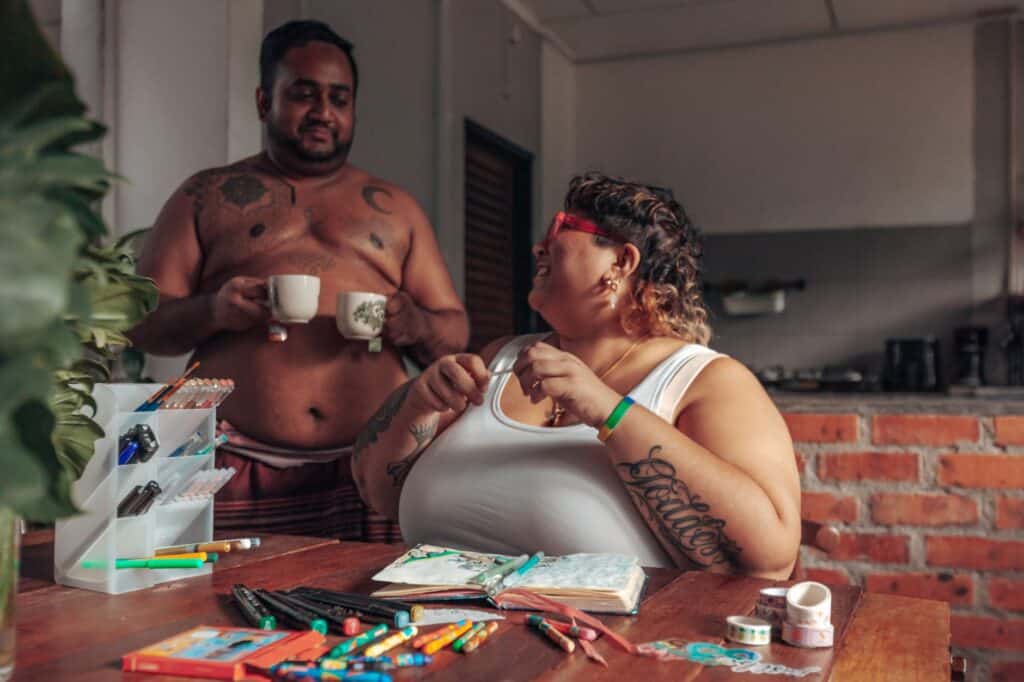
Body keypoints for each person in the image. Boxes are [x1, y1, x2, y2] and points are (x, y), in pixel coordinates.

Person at [352, 173, 801, 577]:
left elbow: (771, 555)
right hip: (425, 637)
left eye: (563, 229)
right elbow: (379, 496)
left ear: (622, 263)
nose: (539, 247)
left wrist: (609, 410)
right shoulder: (500, 358)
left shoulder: (706, 380)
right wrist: (418, 402)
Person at [130, 21, 468, 540]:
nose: (323, 112)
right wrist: (214, 310)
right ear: (265, 101)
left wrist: (415, 323)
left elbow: (453, 333)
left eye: (339, 98)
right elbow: (143, 323)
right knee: (222, 613)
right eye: (303, 94)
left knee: (372, 611)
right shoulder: (205, 195)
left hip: (372, 462)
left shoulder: (397, 209)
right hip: (234, 460)